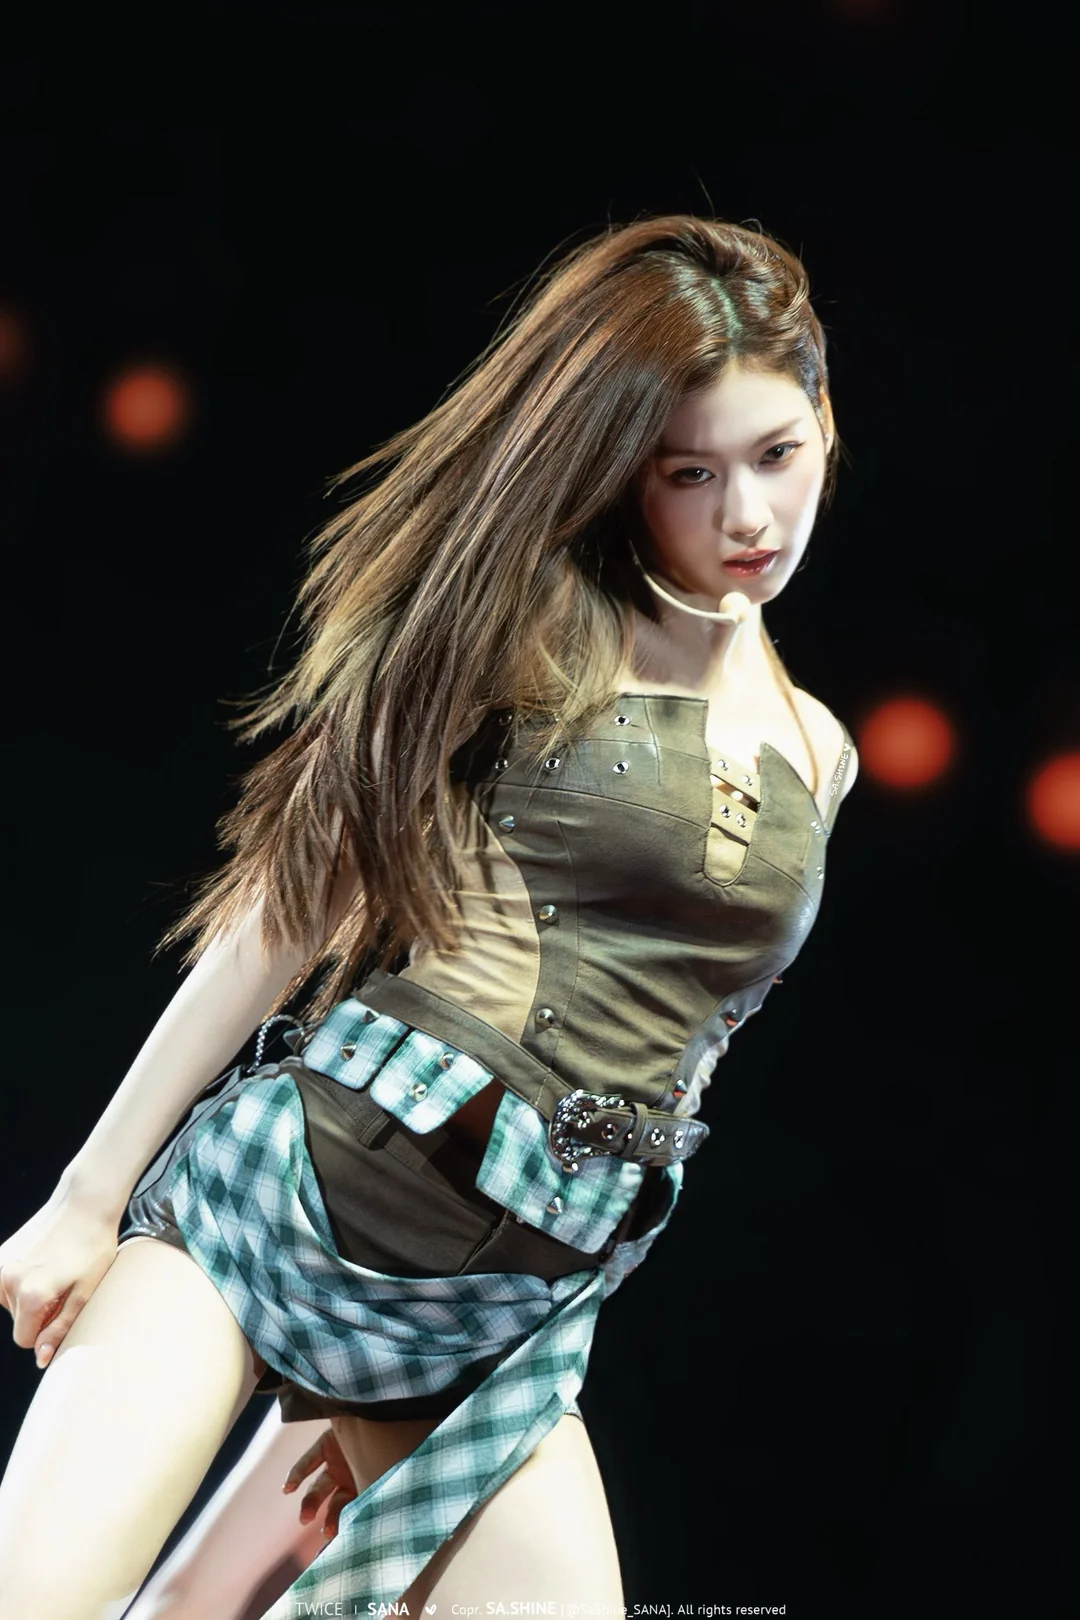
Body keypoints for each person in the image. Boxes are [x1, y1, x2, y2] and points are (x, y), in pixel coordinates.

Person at [0, 213, 859, 1619]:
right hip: (297, 1195)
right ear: (627, 472)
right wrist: (86, 1200)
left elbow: (679, 1079)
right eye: (689, 473)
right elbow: (292, 901)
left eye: (776, 454)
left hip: (497, 1324)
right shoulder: (533, 623)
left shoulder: (820, 751)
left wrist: (435, 1387)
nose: (746, 517)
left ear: (825, 421)